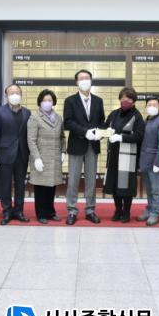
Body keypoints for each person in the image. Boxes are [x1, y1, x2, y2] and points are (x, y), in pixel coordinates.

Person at [63, 69, 104, 225]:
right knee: (73, 179)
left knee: (91, 180)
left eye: (87, 78)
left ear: (91, 81)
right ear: (76, 82)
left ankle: (90, 210)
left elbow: (101, 121)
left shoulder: (98, 101)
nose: (85, 80)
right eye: (81, 78)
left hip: (93, 145)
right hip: (77, 144)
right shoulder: (70, 101)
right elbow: (68, 122)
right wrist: (85, 132)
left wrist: (100, 133)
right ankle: (72, 210)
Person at [0, 84, 31, 225]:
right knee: (5, 184)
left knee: (20, 185)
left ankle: (19, 211)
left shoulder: (27, 113)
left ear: (21, 94)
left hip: (22, 154)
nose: (15, 95)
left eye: (17, 92)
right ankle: (7, 211)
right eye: (11, 93)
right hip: (5, 153)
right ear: (6, 95)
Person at [103, 87, 145, 223]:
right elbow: (105, 127)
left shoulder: (137, 116)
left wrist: (121, 137)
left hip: (128, 157)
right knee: (115, 184)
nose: (125, 101)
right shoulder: (114, 114)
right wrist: (104, 132)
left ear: (133, 101)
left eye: (128, 99)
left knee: (126, 186)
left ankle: (126, 211)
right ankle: (118, 210)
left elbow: (139, 136)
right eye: (123, 98)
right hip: (114, 155)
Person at [27, 89, 66, 224]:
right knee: (41, 188)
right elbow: (31, 140)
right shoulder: (34, 117)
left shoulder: (58, 118)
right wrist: (36, 158)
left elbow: (62, 137)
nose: (47, 103)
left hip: (54, 158)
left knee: (51, 187)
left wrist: (63, 151)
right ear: (40, 102)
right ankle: (41, 213)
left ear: (53, 102)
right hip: (41, 158)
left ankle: (50, 212)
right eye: (44, 100)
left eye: (49, 100)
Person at [136, 97, 159, 226]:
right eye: (149, 105)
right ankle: (149, 209)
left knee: (156, 189)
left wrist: (158, 163)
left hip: (155, 162)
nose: (151, 107)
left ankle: (155, 213)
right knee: (149, 189)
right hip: (145, 161)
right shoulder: (147, 120)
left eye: (154, 105)